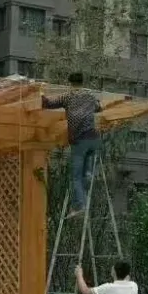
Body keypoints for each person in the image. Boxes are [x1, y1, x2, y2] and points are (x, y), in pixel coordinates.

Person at [42, 73, 101, 211]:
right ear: (82, 82)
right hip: (93, 139)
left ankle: (80, 205)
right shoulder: (90, 95)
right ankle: (84, 194)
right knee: (85, 174)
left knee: (76, 177)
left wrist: (41, 93)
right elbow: (99, 108)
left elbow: (48, 104)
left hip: (80, 140)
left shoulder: (67, 96)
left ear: (70, 83)